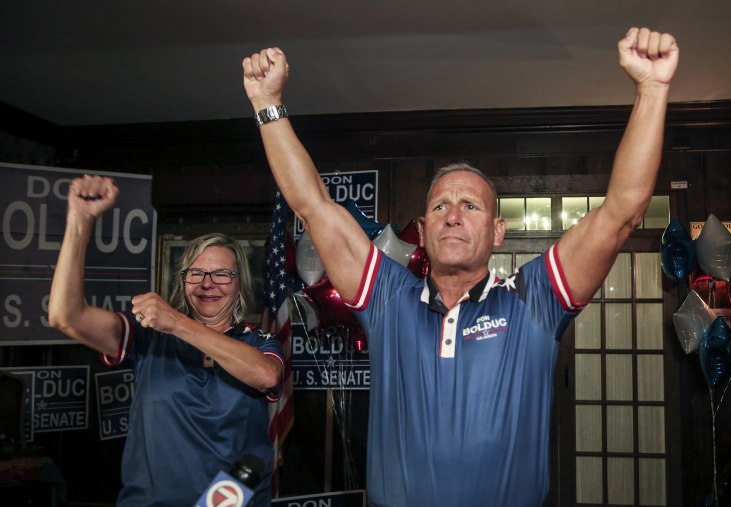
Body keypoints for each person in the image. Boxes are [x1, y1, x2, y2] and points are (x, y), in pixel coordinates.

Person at [242, 26, 679, 506]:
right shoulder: (388, 298)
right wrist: (268, 104)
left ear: (496, 232)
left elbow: (622, 213)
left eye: (471, 206)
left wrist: (652, 90)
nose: (453, 215)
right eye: (440, 207)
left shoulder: (535, 300)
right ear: (424, 231)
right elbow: (313, 204)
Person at [48, 175, 284, 507]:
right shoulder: (149, 337)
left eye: (221, 274)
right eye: (196, 273)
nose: (207, 283)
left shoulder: (260, 342)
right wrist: (79, 222)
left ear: (240, 283)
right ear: (183, 280)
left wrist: (177, 322)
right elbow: (65, 316)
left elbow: (266, 376)